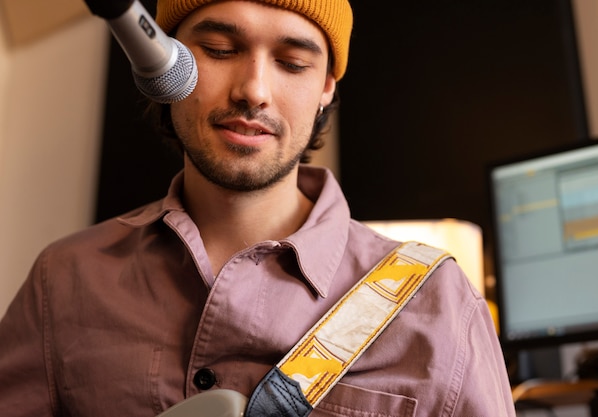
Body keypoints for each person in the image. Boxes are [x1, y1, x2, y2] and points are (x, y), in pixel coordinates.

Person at [0, 0, 516, 416]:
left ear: (326, 88)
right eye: (221, 50)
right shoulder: (62, 281)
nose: (254, 91)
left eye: (293, 63)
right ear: (165, 65)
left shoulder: (439, 302)